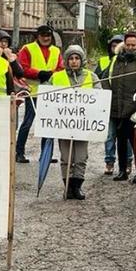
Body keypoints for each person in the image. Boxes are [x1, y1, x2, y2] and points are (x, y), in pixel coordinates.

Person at [104, 31, 136, 183]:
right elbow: (106, 78)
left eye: (133, 45)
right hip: (117, 108)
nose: (130, 47)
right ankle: (122, 171)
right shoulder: (116, 60)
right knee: (120, 141)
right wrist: (109, 95)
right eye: (128, 44)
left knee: (135, 141)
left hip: (135, 110)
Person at [48, 44, 94, 200]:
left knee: (81, 158)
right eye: (71, 59)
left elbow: (100, 98)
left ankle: (77, 187)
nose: (74, 61)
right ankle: (67, 187)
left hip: (83, 125)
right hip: (64, 126)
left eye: (77, 58)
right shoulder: (57, 77)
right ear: (66, 61)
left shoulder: (91, 77)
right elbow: (47, 96)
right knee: (66, 158)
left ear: (82, 60)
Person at [16, 25, 63, 163]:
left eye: (48, 35)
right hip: (33, 91)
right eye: (43, 35)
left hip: (50, 92)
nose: (46, 38)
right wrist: (39, 74)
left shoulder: (56, 51)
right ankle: (19, 153)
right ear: (37, 36)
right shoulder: (28, 48)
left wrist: (51, 75)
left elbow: (61, 68)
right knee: (28, 122)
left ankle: (46, 155)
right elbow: (22, 68)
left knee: (48, 124)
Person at [95, 34, 132, 175]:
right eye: (113, 45)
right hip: (109, 106)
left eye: (119, 45)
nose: (116, 47)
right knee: (110, 135)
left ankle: (128, 162)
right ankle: (109, 162)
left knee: (126, 136)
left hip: (125, 107)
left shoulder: (129, 62)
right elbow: (97, 79)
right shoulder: (104, 61)